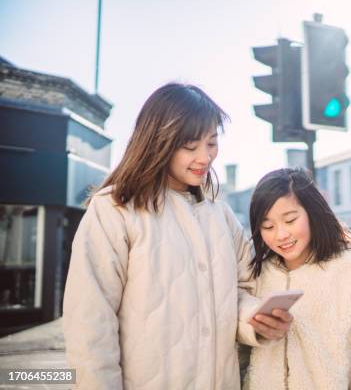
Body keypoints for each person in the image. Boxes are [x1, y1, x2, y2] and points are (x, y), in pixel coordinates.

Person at [62, 83, 292, 390]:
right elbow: (90, 323)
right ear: (159, 141)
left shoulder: (220, 214)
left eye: (211, 143)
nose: (205, 157)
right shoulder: (114, 209)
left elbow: (242, 289)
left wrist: (256, 318)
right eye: (190, 146)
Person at [243, 167, 351, 389]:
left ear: (313, 213)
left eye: (290, 220)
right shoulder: (255, 274)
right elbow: (238, 355)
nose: (281, 234)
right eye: (268, 226)